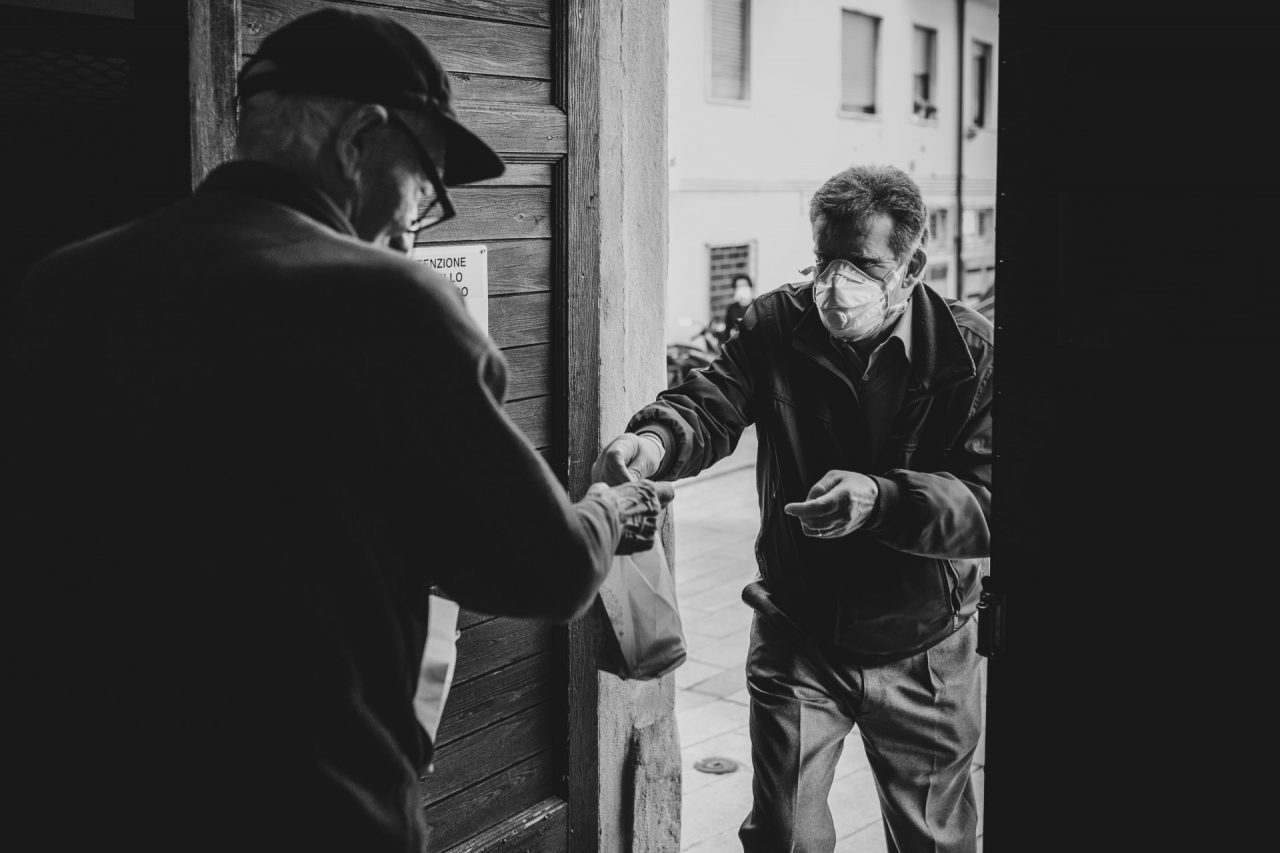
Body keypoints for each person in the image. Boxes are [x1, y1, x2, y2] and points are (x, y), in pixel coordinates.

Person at [0, 8, 669, 853]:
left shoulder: (63, 286)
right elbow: (550, 566)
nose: (415, 223)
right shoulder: (388, 302)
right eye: (426, 184)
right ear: (360, 138)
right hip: (306, 807)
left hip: (73, 801)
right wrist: (608, 507)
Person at [593, 164, 992, 853]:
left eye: (860, 263)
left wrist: (883, 499)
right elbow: (711, 403)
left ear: (912, 263)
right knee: (783, 836)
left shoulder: (970, 352)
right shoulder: (777, 323)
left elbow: (992, 502)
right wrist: (653, 442)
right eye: (823, 259)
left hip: (925, 647)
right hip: (800, 628)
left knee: (936, 842)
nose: (836, 283)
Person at [719, 272, 754, 343]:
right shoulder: (732, 309)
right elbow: (727, 333)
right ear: (735, 290)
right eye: (739, 287)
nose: (742, 289)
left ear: (750, 287)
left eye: (744, 286)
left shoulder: (757, 306)